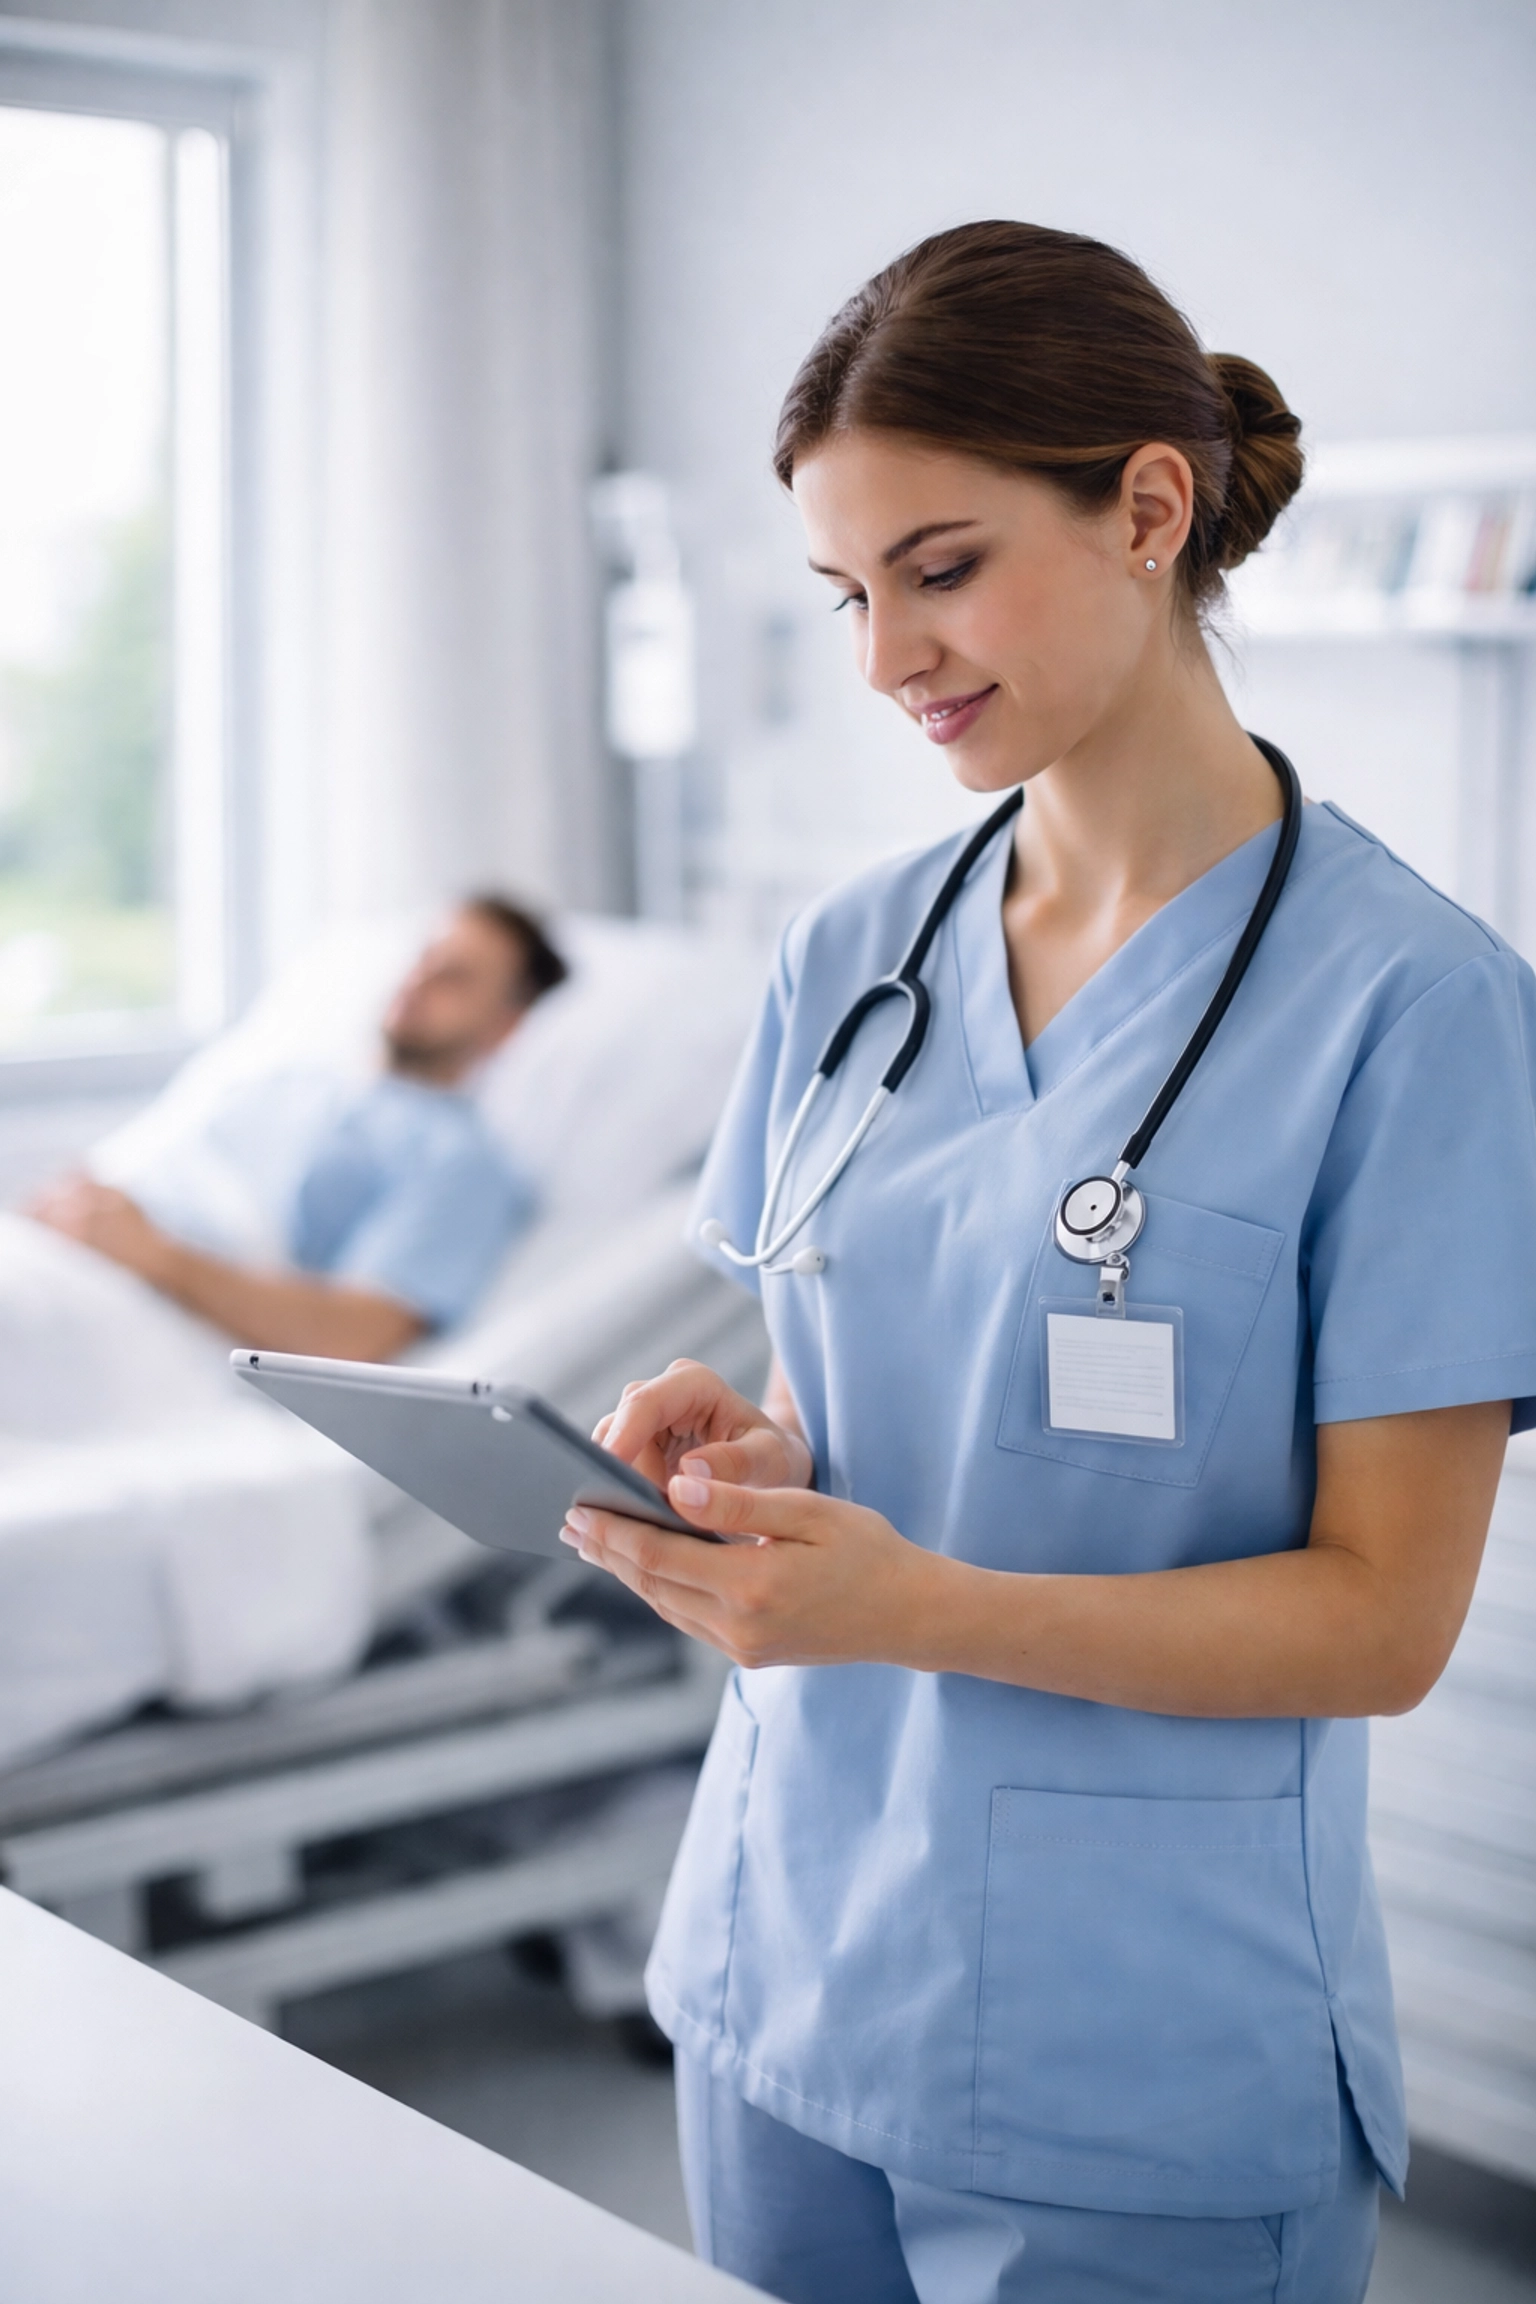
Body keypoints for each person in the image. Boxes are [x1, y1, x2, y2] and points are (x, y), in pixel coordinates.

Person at [554, 222, 1536, 2304]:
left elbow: (1381, 1623)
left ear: (1148, 512)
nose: (885, 657)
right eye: (847, 593)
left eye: (941, 566)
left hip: (1140, 2050)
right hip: (787, 1962)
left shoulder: (1417, 1013)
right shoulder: (855, 954)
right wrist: (760, 1449)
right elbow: (927, 1396)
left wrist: (920, 1601)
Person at [30, 895, 566, 1360]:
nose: (419, 979)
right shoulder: (287, 1080)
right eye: (424, 956)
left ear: (505, 1024)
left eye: (455, 976)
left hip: (156, 1316)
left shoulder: (461, 1162)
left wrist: (156, 1255)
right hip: (67, 1251)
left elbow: (356, 1335)